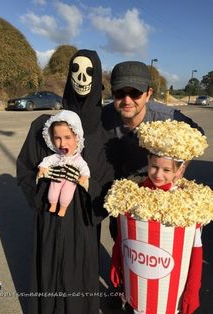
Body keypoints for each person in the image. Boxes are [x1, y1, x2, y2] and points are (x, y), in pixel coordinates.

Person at [101, 60, 204, 311]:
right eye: (119, 93)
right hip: (127, 193)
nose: (127, 100)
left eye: (135, 93)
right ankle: (127, 291)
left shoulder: (167, 117)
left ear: (148, 93)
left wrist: (178, 171)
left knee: (161, 257)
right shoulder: (104, 116)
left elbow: (197, 134)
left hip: (160, 192)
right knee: (124, 243)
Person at [16, 49, 113, 314]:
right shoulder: (44, 127)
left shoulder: (104, 133)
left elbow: (109, 185)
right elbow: (25, 169)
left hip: (82, 225)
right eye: (76, 70)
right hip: (49, 221)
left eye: (89, 72)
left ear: (98, 79)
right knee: (48, 275)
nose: (82, 78)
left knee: (77, 278)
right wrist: (43, 182)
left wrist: (86, 186)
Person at [107, 119, 209, 314]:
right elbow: (123, 234)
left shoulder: (188, 204)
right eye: (154, 166)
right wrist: (117, 260)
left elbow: (196, 251)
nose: (158, 174)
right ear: (148, 162)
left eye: (166, 170)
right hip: (137, 287)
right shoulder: (134, 192)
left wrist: (192, 291)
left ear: (180, 170)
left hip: (169, 297)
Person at [37, 110, 90, 216]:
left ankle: (63, 207)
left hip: (70, 181)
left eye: (67, 137)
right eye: (57, 138)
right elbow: (47, 161)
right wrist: (42, 167)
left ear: (77, 137)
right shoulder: (57, 156)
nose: (62, 143)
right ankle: (52, 204)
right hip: (57, 178)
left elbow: (84, 167)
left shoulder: (77, 159)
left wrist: (84, 177)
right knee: (53, 190)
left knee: (67, 193)